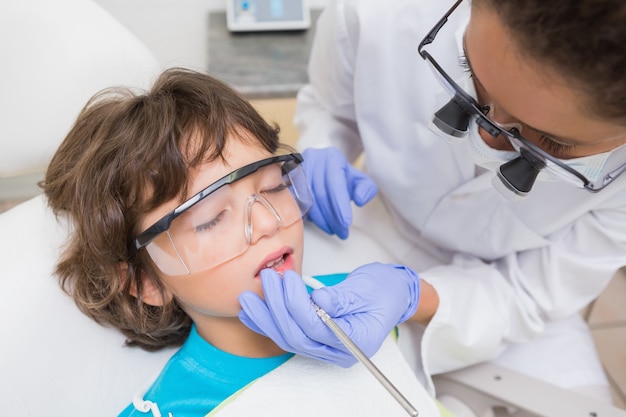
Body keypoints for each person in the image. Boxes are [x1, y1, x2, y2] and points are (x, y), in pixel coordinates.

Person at [237, 0, 626, 405]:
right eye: (471, 82)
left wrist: (414, 295)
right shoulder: (377, 13)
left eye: (552, 143)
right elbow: (330, 106)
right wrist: (322, 147)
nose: (487, 143)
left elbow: (530, 296)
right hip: (368, 226)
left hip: (516, 311)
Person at [40, 68, 438, 416]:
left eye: (275, 186)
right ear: (147, 282)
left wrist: (408, 293)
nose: (269, 220)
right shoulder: (172, 410)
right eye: (210, 219)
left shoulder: (356, 301)